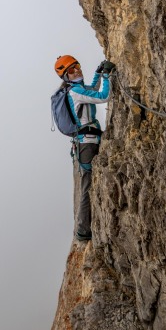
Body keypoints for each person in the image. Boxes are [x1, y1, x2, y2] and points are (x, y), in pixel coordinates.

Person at [54, 55, 115, 241]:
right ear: (65, 77)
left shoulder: (78, 89)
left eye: (77, 66)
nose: (77, 70)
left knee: (88, 184)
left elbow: (92, 89)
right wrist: (106, 76)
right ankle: (82, 230)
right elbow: (104, 96)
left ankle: (83, 228)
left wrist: (98, 73)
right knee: (87, 186)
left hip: (88, 140)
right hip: (87, 143)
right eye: (71, 70)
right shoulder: (74, 93)